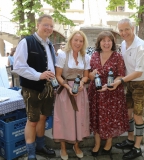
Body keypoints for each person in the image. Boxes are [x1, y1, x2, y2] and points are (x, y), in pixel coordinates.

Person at [13, 14, 56, 160]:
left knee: (43, 118)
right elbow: (18, 66)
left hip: (49, 87)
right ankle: (31, 154)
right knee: (32, 121)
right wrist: (39, 75)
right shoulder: (26, 42)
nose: (49, 28)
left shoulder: (49, 44)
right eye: (46, 25)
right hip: (32, 88)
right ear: (37, 25)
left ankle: (40, 146)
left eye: (51, 26)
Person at [112, 18, 144, 160]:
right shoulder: (123, 44)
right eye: (121, 30)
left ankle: (137, 147)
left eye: (126, 29)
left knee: (137, 115)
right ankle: (130, 140)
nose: (123, 33)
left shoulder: (141, 46)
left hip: (141, 83)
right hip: (129, 82)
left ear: (132, 29)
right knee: (128, 113)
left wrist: (120, 81)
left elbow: (139, 72)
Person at [88, 31, 129, 157]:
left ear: (113, 42)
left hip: (112, 93)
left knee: (110, 118)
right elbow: (88, 75)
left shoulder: (118, 56)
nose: (106, 43)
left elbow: (121, 75)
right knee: (96, 118)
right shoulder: (94, 55)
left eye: (109, 40)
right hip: (96, 93)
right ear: (99, 43)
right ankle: (97, 143)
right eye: (103, 40)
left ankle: (108, 143)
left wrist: (110, 85)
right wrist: (92, 74)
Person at [53, 31, 90, 160]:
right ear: (71, 41)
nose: (78, 43)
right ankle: (63, 148)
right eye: (76, 40)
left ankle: (76, 145)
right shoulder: (63, 55)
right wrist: (68, 87)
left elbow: (86, 76)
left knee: (80, 119)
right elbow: (58, 75)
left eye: (81, 41)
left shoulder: (85, 56)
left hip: (80, 91)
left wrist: (82, 83)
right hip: (65, 90)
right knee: (64, 119)